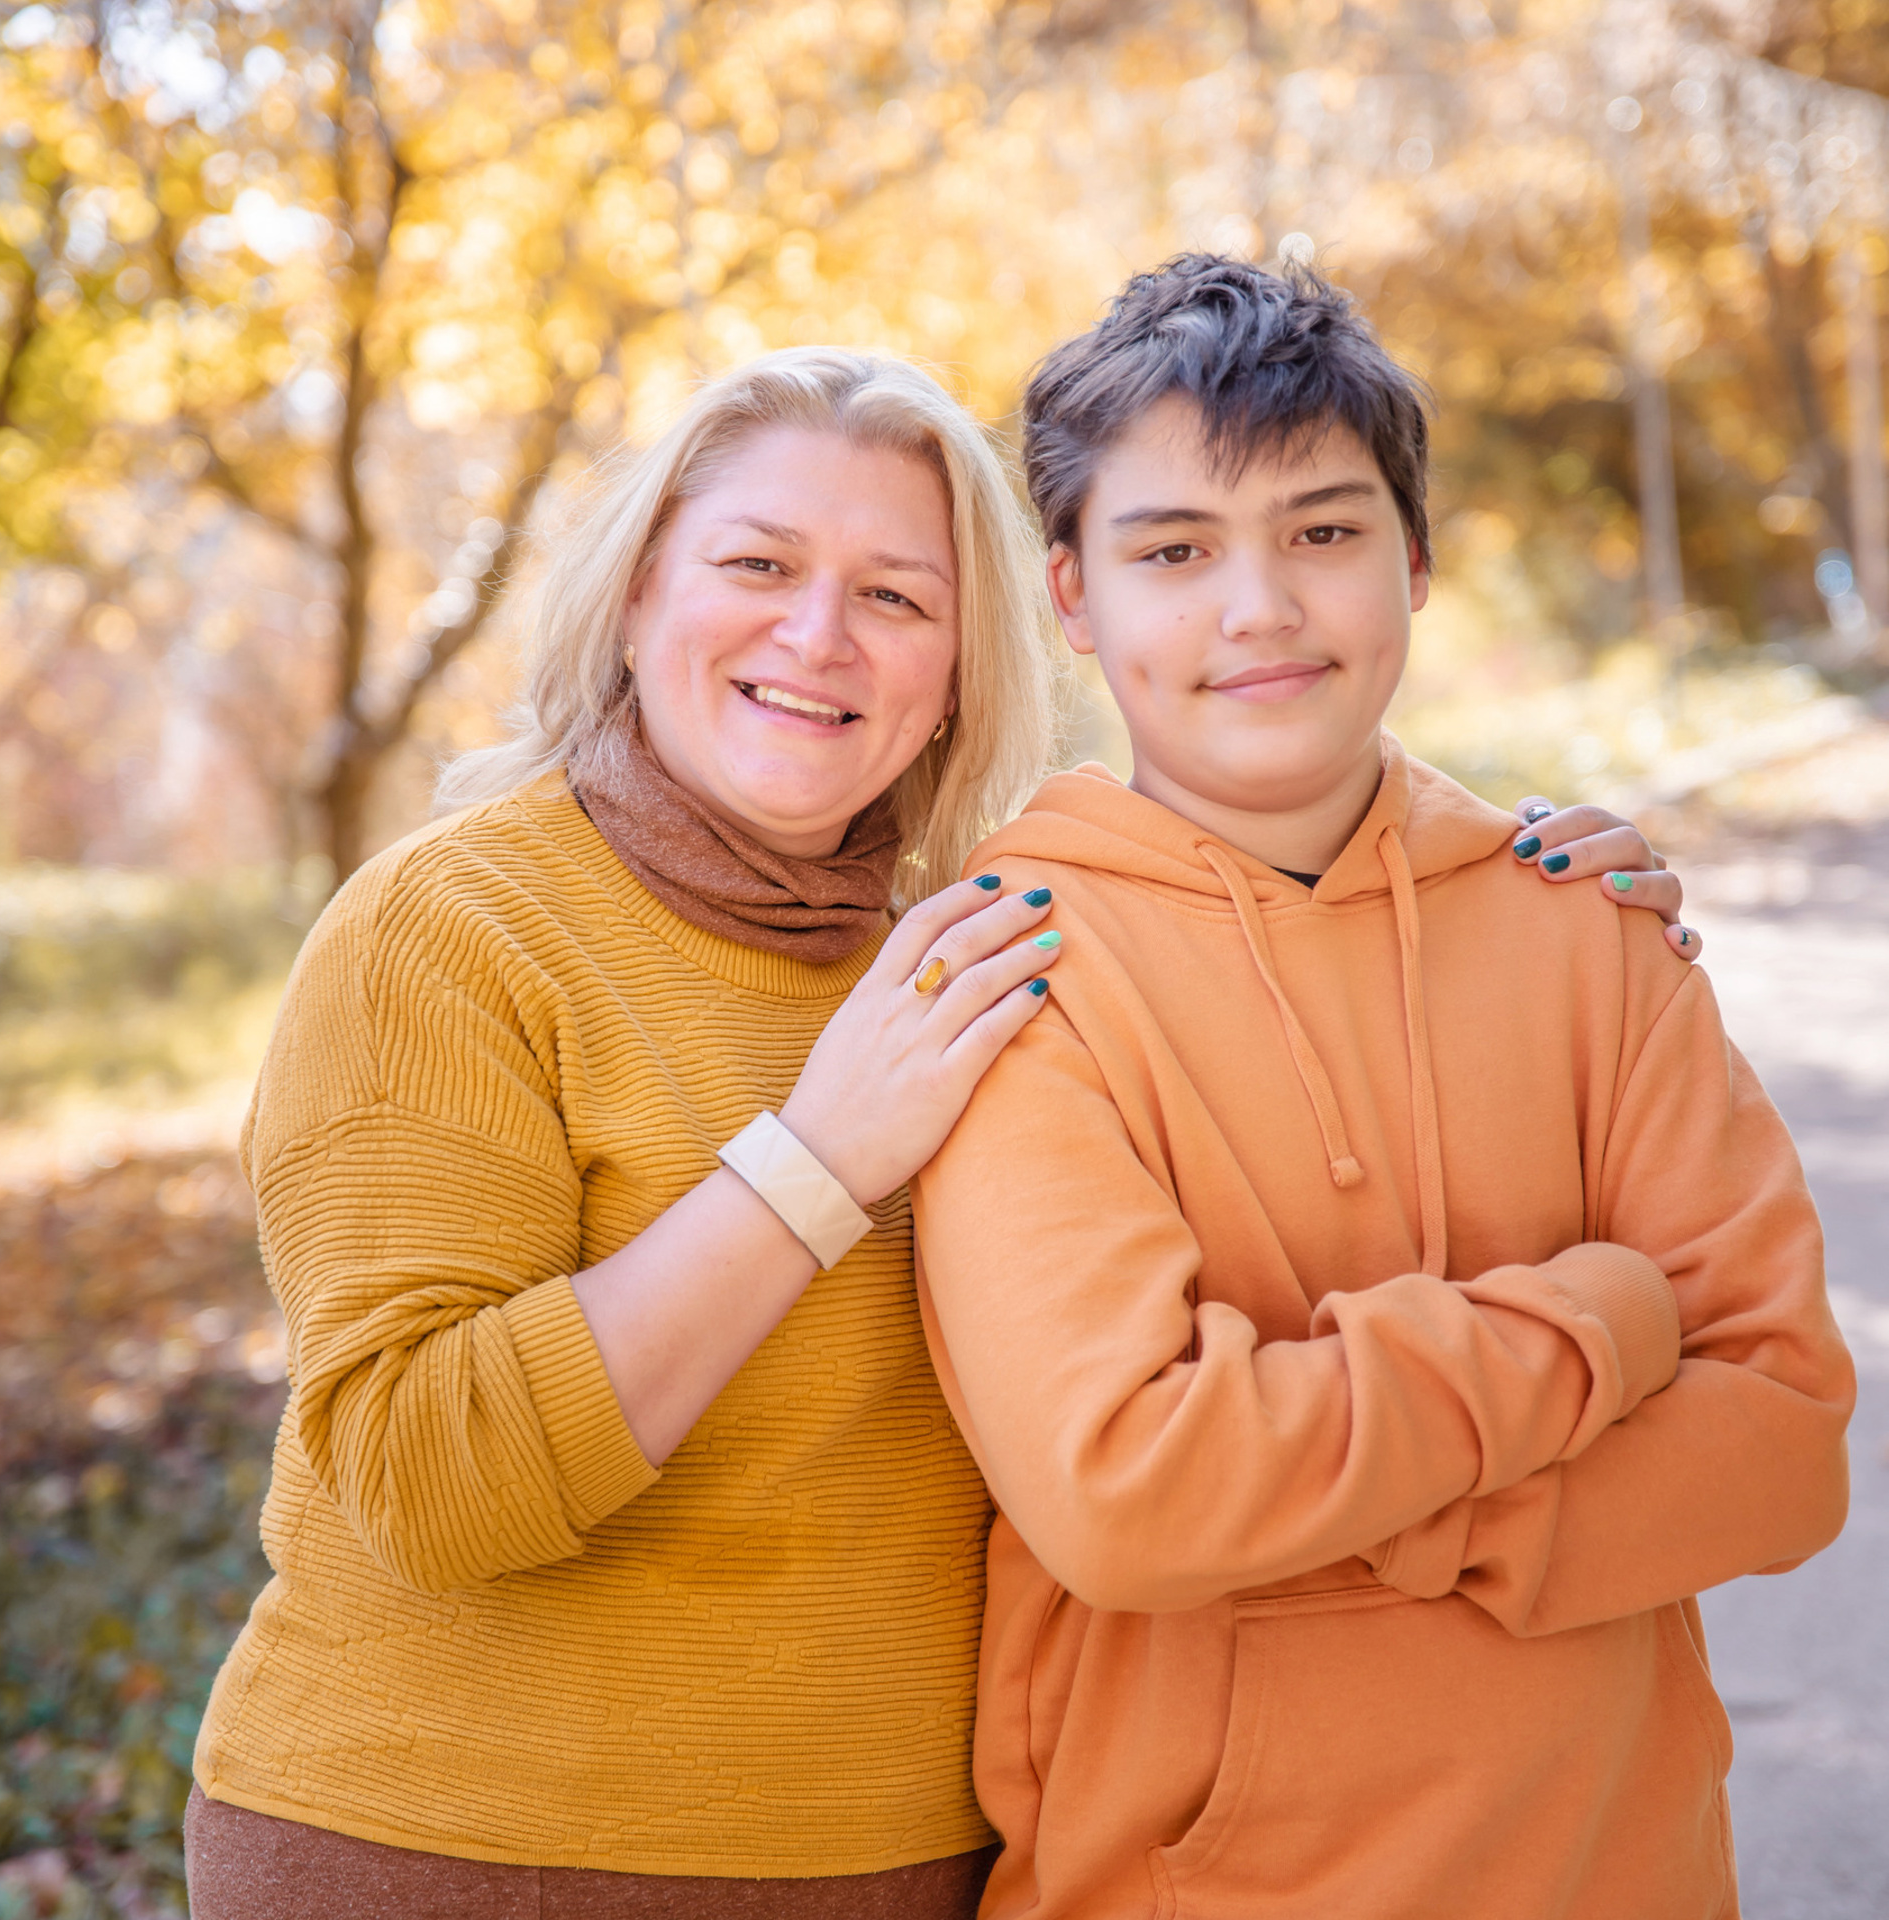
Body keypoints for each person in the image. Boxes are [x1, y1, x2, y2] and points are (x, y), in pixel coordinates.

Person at [186, 345, 1691, 1919]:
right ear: (636, 597)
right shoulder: (448, 926)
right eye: (758, 566)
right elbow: (431, 1480)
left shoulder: (974, 956)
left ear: (968, 663)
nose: (817, 637)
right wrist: (816, 1161)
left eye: (897, 598)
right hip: (459, 1858)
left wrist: (1525, 886)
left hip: (901, 1871)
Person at [911, 258, 1855, 1919]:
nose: (1259, 608)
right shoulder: (1012, 975)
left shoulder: (1587, 925)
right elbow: (1134, 1495)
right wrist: (1602, 1330)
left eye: (1325, 533)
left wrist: (1362, 1510)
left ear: (1415, 563)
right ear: (1072, 598)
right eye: (1175, 551)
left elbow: (1784, 1446)